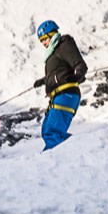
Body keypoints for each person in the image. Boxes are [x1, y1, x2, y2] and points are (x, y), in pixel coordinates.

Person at [31, 20, 88, 150]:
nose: (44, 43)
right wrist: (45, 80)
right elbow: (59, 72)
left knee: (52, 132)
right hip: (59, 95)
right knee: (47, 129)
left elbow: (80, 66)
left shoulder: (63, 44)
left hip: (66, 94)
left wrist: (75, 77)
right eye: (41, 41)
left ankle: (52, 161)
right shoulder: (53, 53)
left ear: (52, 34)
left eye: (44, 39)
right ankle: (78, 148)